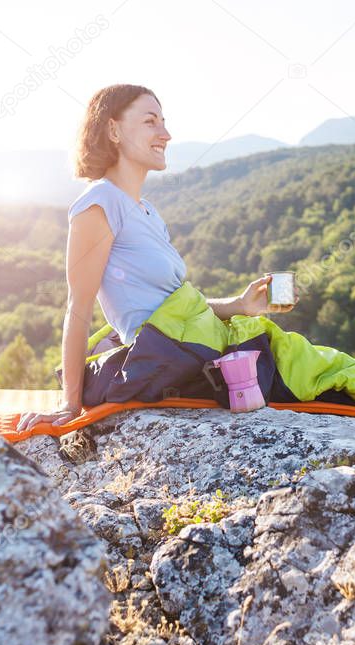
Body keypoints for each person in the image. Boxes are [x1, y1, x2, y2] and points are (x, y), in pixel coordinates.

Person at [16, 84, 291, 433]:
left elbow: (174, 309)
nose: (166, 134)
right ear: (113, 130)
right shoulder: (99, 203)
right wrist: (70, 404)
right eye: (150, 122)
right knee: (320, 374)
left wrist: (239, 305)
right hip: (168, 358)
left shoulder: (147, 212)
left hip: (189, 344)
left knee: (315, 364)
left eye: (163, 122)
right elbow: (79, 305)